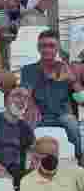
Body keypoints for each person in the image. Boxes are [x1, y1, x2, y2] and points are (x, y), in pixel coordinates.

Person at [20, 30, 81, 161]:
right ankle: (24, 161)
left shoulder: (65, 68)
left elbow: (82, 99)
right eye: (43, 46)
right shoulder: (28, 69)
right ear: (38, 48)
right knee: (24, 125)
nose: (47, 49)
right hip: (39, 114)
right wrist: (31, 105)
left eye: (51, 46)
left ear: (57, 48)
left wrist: (73, 80)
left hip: (62, 115)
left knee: (71, 122)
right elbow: (25, 93)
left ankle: (79, 158)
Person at [0, 87, 37, 187]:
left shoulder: (25, 127)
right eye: (17, 95)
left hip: (17, 171)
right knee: (6, 180)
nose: (22, 100)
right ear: (6, 101)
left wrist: (34, 164)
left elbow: (34, 149)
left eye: (26, 97)